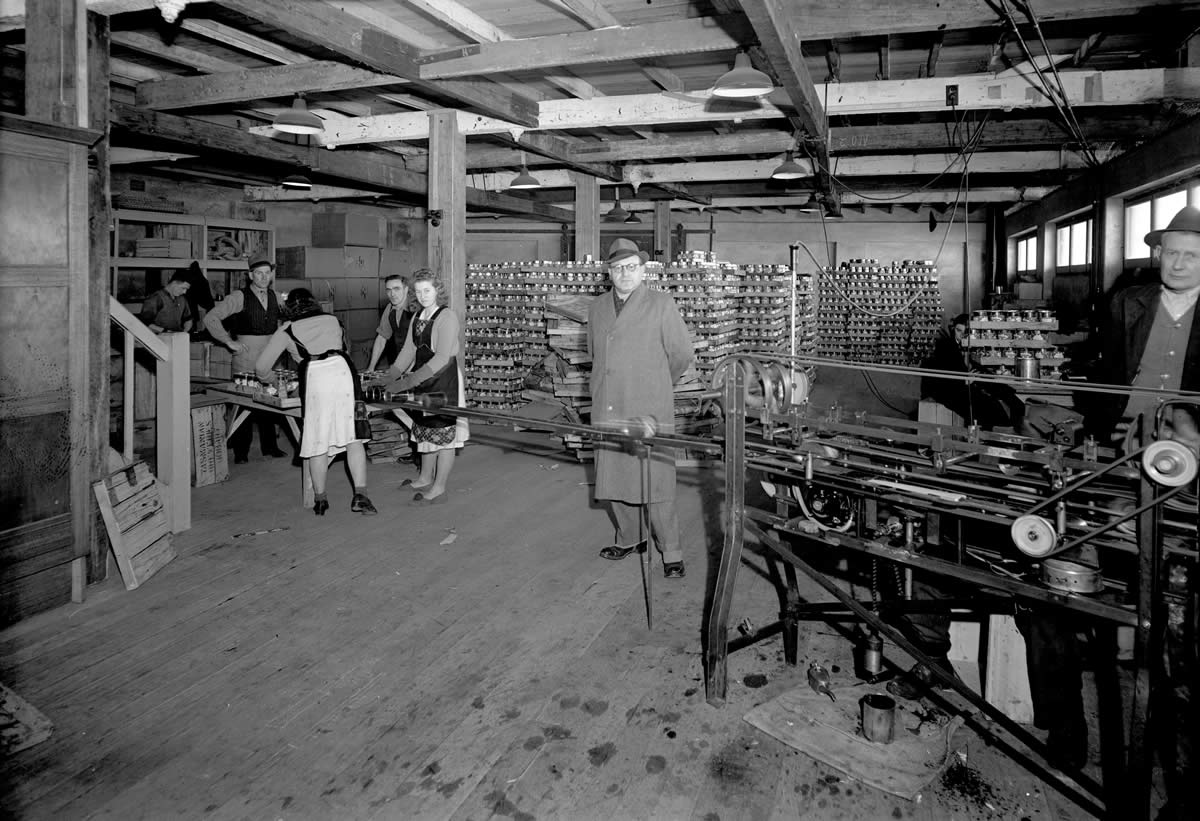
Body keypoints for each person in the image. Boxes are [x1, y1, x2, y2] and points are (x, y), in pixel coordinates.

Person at [587, 238, 694, 578]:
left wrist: (656, 385)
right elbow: (594, 354)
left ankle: (671, 550)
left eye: (631, 267)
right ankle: (630, 536)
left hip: (648, 407)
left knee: (656, 482)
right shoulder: (597, 307)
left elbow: (681, 355)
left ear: (643, 269)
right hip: (608, 403)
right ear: (609, 272)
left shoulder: (661, 304)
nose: (625, 274)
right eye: (618, 268)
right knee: (614, 478)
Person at [254, 289, 376, 517]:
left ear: (289, 308)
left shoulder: (286, 329)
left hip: (316, 379)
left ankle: (320, 500)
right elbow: (345, 347)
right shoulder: (333, 320)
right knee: (354, 436)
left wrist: (273, 382)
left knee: (318, 439)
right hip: (345, 375)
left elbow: (261, 367)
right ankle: (361, 495)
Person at [384, 269, 469, 504]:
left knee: (443, 434)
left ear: (437, 291)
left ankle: (439, 485)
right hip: (424, 380)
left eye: (428, 290)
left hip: (443, 382)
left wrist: (407, 382)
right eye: (419, 291)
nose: (423, 296)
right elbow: (408, 351)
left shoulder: (447, 316)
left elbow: (442, 358)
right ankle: (424, 477)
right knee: (425, 428)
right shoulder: (418, 316)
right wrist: (390, 375)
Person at [203, 254, 287, 464]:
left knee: (271, 400)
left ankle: (270, 447)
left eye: (267, 273)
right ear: (250, 275)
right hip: (246, 356)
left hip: (271, 357)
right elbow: (210, 318)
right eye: (259, 273)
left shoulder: (276, 296)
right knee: (245, 403)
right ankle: (241, 452)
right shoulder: (238, 297)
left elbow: (290, 319)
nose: (263, 277)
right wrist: (228, 341)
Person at [921, 313, 1024, 430]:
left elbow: (971, 366)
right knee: (989, 405)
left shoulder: (966, 343)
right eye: (958, 331)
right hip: (950, 388)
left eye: (965, 332)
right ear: (953, 328)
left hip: (966, 379)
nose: (961, 335)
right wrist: (965, 380)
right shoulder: (945, 346)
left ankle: (1018, 422)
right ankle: (1000, 433)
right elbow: (943, 377)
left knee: (1006, 393)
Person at [366, 274, 414, 372]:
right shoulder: (390, 308)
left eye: (397, 289)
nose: (392, 294)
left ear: (406, 289)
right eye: (389, 290)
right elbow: (381, 339)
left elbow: (417, 345)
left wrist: (407, 372)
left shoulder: (415, 309)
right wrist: (371, 368)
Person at [178, 260, 215, 329]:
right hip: (191, 311)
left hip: (189, 313)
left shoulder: (196, 281)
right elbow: (208, 304)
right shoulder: (200, 281)